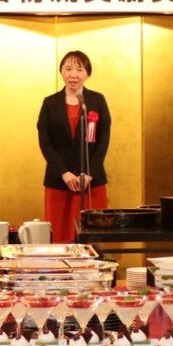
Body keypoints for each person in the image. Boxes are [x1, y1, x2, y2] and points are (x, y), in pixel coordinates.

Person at [37, 50, 111, 242]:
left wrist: (90, 173)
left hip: (91, 182)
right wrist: (64, 173)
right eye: (68, 69)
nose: (73, 74)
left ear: (87, 73)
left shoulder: (96, 101)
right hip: (59, 182)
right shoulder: (50, 103)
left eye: (79, 69)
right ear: (61, 71)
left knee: (91, 236)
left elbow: (103, 140)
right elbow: (45, 141)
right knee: (60, 235)